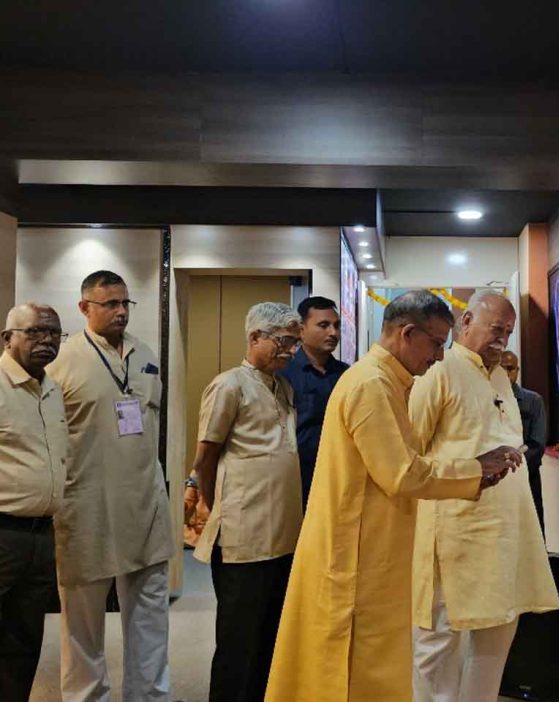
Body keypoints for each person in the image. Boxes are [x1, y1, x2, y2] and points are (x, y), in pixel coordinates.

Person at [265, 289, 522, 702]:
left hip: (379, 548)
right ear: (407, 334)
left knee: (382, 664)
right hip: (356, 555)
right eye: (435, 343)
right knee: (354, 671)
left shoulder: (389, 381)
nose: (439, 356)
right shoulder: (372, 384)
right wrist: (475, 470)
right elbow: (401, 473)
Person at [411, 291, 559, 702]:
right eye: (496, 329)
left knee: (498, 631)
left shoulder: (499, 379)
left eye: (508, 332)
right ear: (466, 321)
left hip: (505, 532)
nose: (502, 340)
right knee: (440, 642)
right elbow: (411, 458)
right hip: (455, 533)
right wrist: (470, 470)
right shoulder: (438, 372)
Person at [48, 270, 174, 702]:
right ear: (84, 308)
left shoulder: (144, 354)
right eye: (110, 304)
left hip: (145, 502)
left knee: (150, 613)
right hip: (87, 506)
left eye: (125, 303)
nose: (121, 311)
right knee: (83, 621)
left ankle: (149, 696)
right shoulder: (62, 363)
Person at [192, 302, 304, 702]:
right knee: (238, 642)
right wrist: (214, 507)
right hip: (244, 538)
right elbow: (205, 458)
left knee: (270, 638)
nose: (291, 351)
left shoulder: (283, 387)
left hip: (283, 537)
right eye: (284, 341)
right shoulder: (229, 385)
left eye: (295, 342)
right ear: (255, 337)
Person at [0, 304, 68, 701]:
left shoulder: (52, 388)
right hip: (3, 531)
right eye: (35, 332)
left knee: (23, 642)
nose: (47, 340)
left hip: (41, 536)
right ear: (8, 338)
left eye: (55, 333)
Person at [279, 296, 348, 509]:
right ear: (301, 330)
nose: (333, 333)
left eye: (336, 325)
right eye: (323, 325)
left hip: (337, 475)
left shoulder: (346, 375)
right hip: (294, 478)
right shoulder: (283, 373)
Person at [500, 350, 547, 534]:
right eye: (502, 369)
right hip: (498, 483)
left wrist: (510, 466)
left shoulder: (533, 401)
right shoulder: (489, 400)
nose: (506, 374)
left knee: (532, 531)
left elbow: (537, 445)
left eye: (510, 369)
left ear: (517, 371)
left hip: (526, 478)